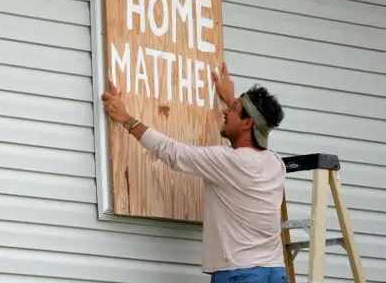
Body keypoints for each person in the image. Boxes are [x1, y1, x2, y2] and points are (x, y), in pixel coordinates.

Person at [101, 63, 288, 283]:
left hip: (240, 273)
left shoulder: (228, 162)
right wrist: (233, 102)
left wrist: (125, 118)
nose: (224, 111)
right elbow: (252, 130)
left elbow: (172, 152)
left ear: (247, 123)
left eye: (232, 109)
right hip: (275, 272)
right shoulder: (276, 163)